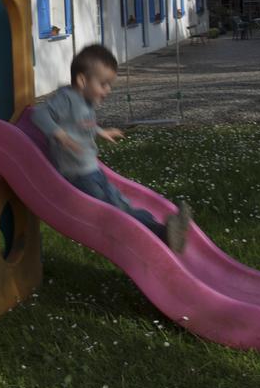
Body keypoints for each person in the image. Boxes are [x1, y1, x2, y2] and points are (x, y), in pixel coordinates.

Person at [31, 44, 191, 253]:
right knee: (114, 211)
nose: (108, 90)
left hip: (91, 170)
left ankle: (162, 228)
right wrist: (59, 134)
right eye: (103, 84)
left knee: (121, 204)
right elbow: (39, 114)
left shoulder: (85, 101)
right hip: (77, 176)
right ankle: (161, 234)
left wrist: (101, 131)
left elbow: (82, 123)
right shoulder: (66, 99)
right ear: (81, 80)